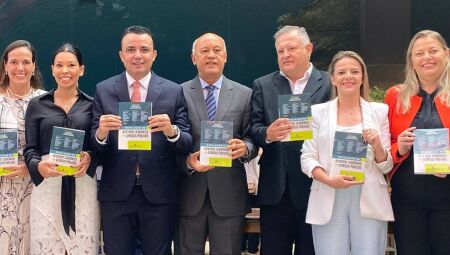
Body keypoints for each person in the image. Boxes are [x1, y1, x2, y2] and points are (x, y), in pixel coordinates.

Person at [91, 25, 192, 255]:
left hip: (160, 193)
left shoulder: (173, 91)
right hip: (116, 193)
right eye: (131, 49)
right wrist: (101, 133)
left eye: (144, 49)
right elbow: (94, 146)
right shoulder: (104, 89)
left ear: (154, 54)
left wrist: (170, 130)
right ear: (121, 55)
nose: (138, 55)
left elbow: (186, 142)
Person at [301, 51, 394, 255]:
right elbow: (307, 158)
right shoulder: (317, 112)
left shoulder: (379, 111)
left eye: (354, 71)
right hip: (328, 193)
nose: (348, 76)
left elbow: (386, 165)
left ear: (362, 77)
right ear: (333, 78)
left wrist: (377, 143)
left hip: (369, 196)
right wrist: (327, 179)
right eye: (341, 72)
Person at [250, 25, 331, 254]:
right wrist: (267, 134)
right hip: (275, 189)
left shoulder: (329, 83)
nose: (285, 55)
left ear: (309, 49)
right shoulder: (263, 85)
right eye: (280, 51)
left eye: (291, 48)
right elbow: (253, 129)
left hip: (316, 186)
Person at [177, 33, 257, 255]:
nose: (211, 55)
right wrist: (188, 162)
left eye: (216, 50)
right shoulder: (178, 93)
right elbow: (171, 141)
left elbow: (252, 137)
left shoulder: (245, 94)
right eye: (204, 51)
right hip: (189, 193)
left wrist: (245, 148)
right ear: (194, 58)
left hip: (229, 194)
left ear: (226, 57)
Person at [24, 43, 100, 254]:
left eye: (71, 65)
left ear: (81, 69)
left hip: (82, 184)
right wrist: (38, 166)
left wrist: (90, 158)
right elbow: (30, 149)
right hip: (47, 187)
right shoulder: (36, 104)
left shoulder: (93, 105)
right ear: (52, 69)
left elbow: (99, 147)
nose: (65, 71)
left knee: (83, 246)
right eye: (59, 65)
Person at [384, 30, 450, 255]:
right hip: (407, 198)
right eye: (419, 53)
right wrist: (399, 147)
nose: (426, 58)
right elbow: (384, 146)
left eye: (433, 51)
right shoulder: (395, 96)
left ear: (446, 54)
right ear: (411, 60)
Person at [0, 40, 45, 255]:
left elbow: (51, 146)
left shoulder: (46, 101)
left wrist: (31, 168)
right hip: (2, 188)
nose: (20, 67)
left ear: (34, 66)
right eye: (14, 62)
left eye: (26, 62)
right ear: (5, 66)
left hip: (37, 186)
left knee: (33, 243)